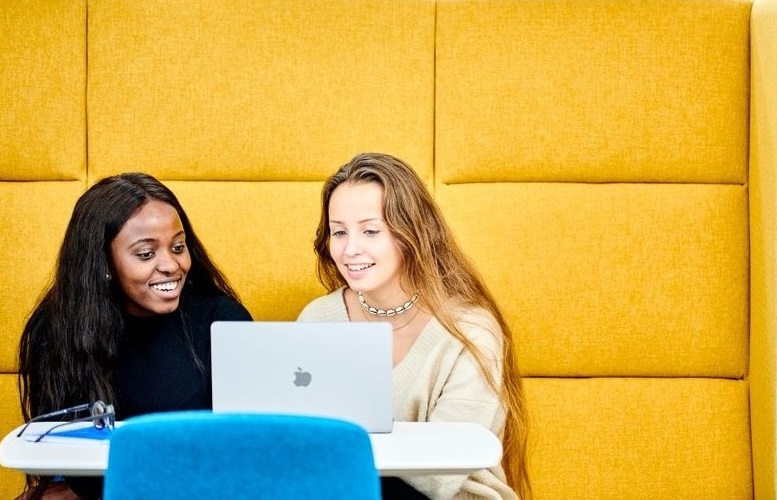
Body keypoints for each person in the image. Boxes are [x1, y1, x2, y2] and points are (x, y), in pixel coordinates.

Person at [297, 153, 531, 499]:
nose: (350, 249)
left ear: (411, 234)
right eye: (339, 232)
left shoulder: (470, 331)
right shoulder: (318, 319)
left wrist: (333, 459)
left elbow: (441, 475)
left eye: (370, 231)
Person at [17, 172, 253, 500]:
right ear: (104, 263)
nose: (171, 265)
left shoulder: (222, 321)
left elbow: (249, 448)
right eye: (146, 254)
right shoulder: (57, 329)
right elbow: (63, 462)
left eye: (178, 246)